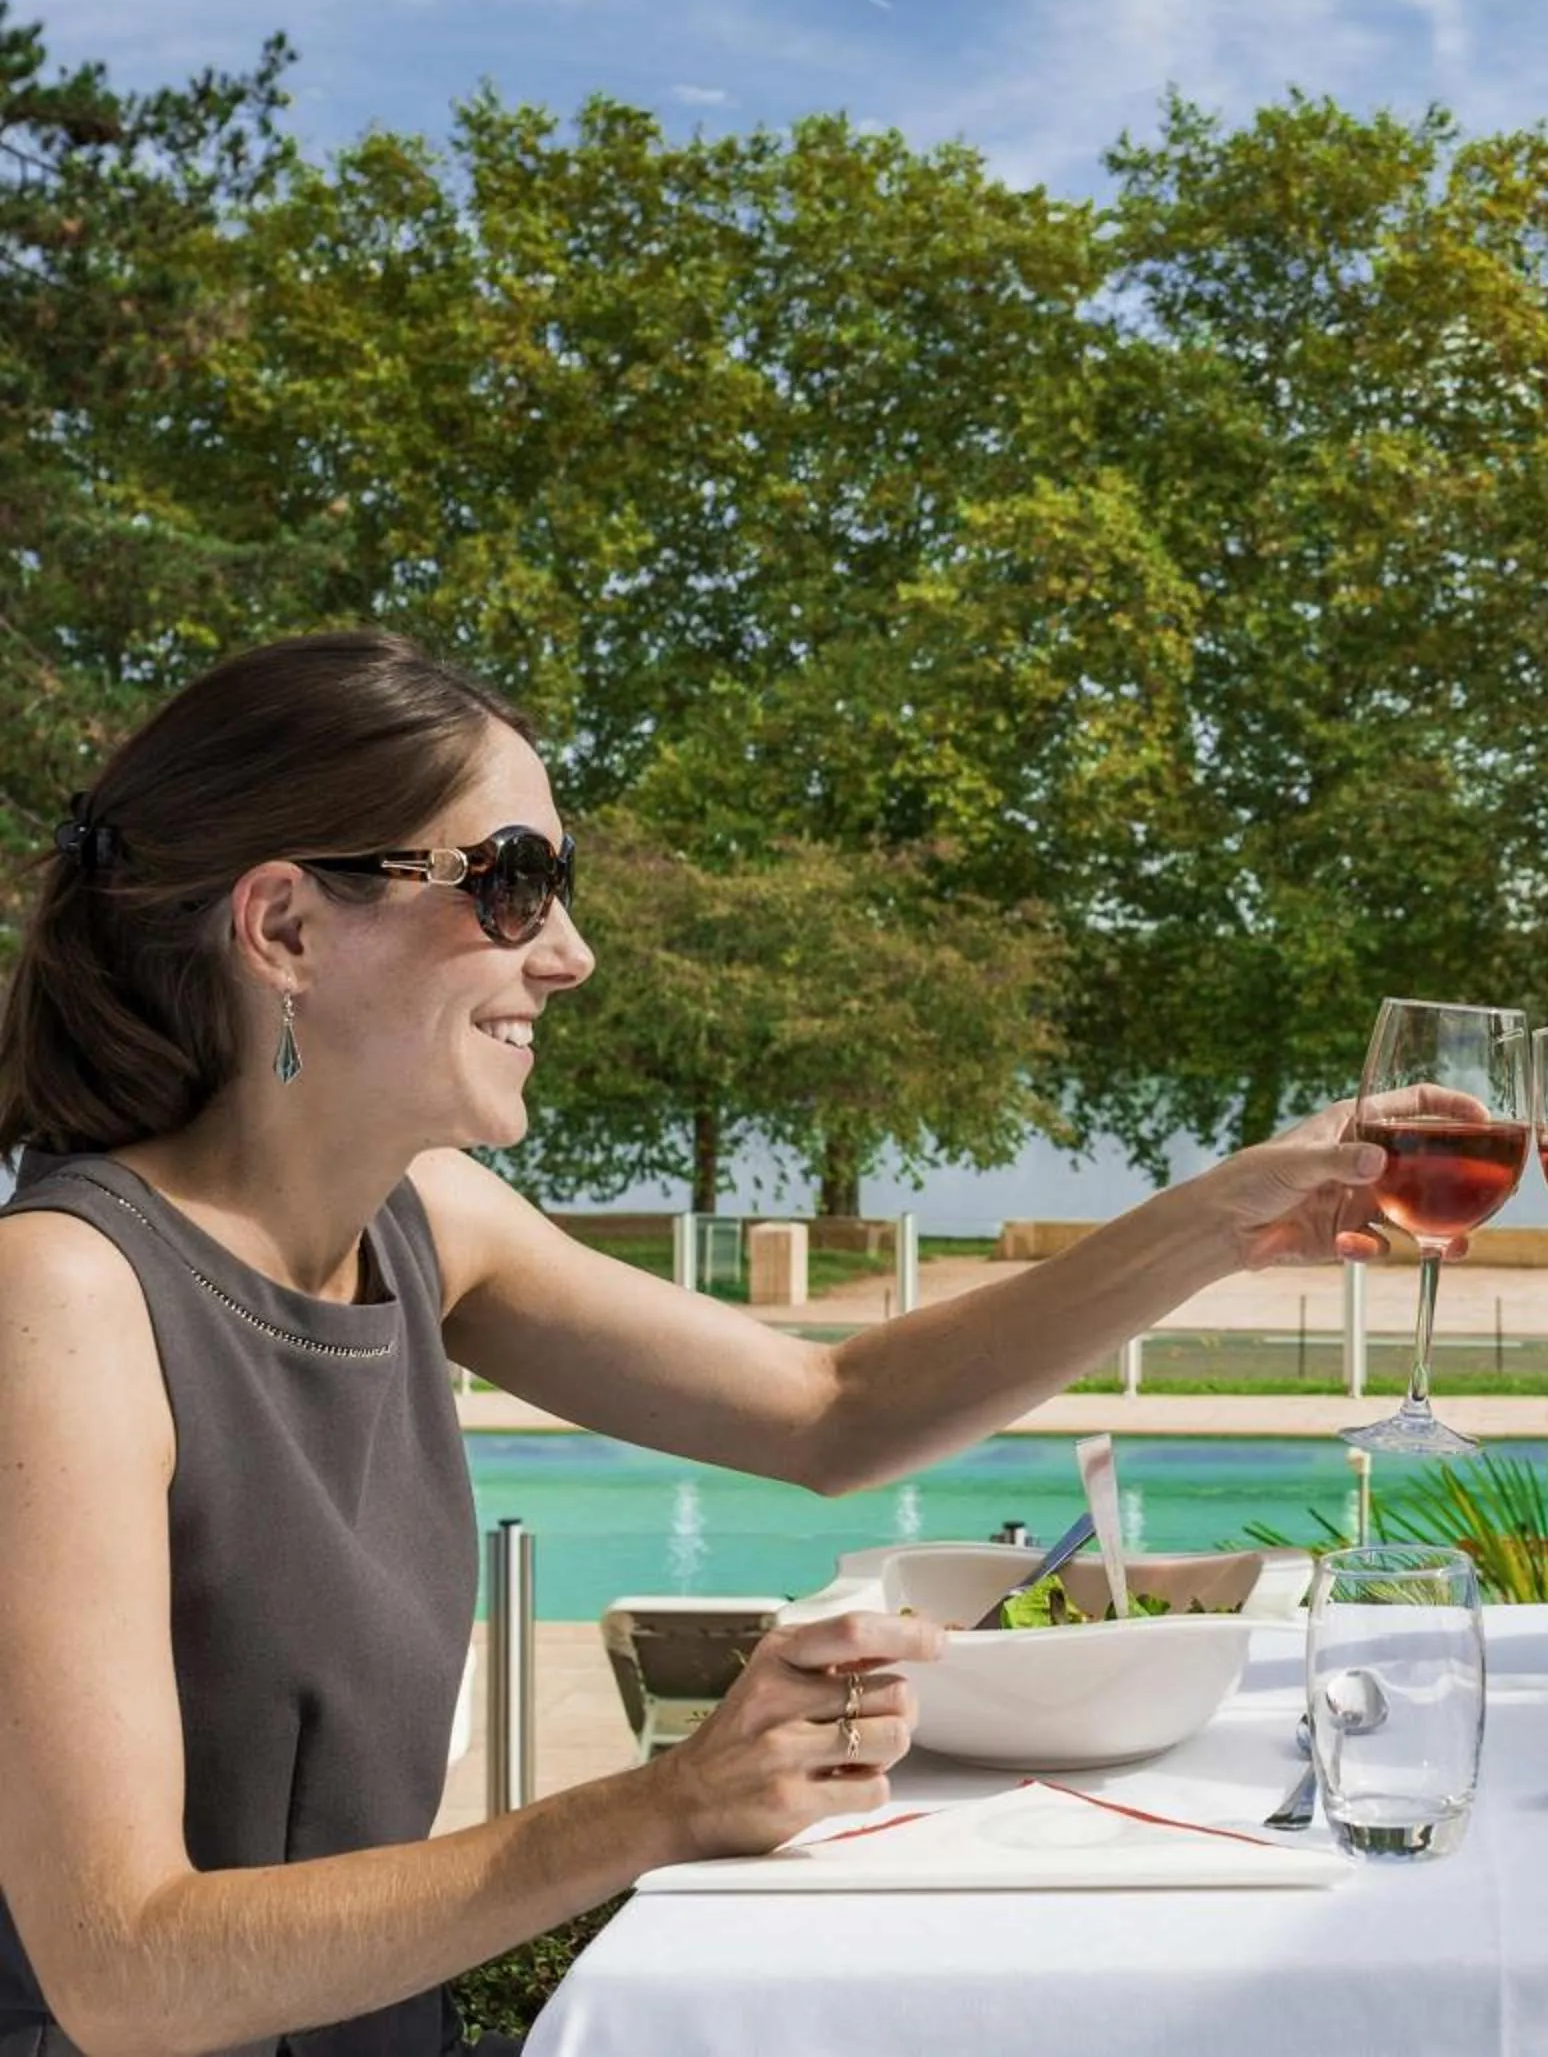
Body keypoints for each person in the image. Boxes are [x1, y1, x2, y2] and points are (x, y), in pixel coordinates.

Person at [0, 632, 1388, 2057]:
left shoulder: (428, 1221)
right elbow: (127, 1969)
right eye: (513, 882)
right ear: (285, 926)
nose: (571, 952)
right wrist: (663, 1803)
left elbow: (830, 1405)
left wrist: (1222, 1221)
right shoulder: (63, 1298)